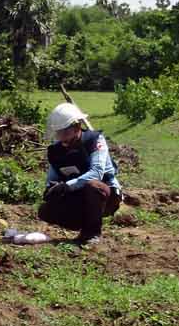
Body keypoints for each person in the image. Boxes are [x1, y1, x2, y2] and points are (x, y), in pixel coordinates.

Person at [37, 101, 122, 246]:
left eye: (66, 132)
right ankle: (80, 222)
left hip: (106, 194)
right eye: (59, 133)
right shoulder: (55, 150)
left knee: (93, 186)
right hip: (78, 195)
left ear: (77, 127)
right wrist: (51, 188)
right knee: (45, 211)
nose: (62, 137)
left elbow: (96, 172)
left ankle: (92, 233)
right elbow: (53, 177)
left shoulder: (95, 141)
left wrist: (67, 186)